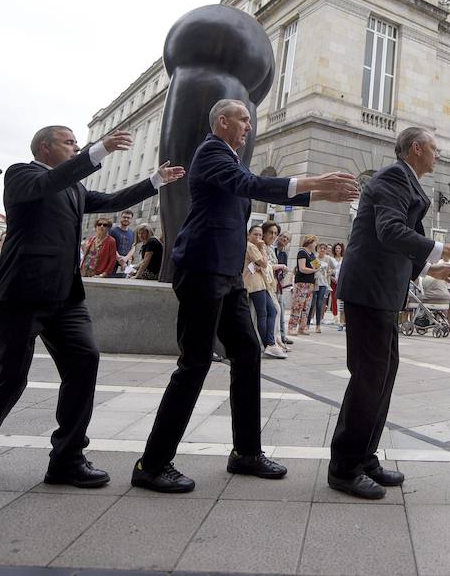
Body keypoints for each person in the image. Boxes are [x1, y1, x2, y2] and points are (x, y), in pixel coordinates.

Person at [132, 100, 356, 494]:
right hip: (202, 271)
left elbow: (247, 188)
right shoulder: (212, 152)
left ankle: (246, 453)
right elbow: (248, 185)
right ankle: (152, 463)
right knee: (195, 363)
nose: (249, 126)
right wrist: (314, 183)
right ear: (222, 121)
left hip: (227, 274)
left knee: (248, 351)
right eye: (244, 119)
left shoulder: (229, 159)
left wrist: (315, 192)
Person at [0, 125, 183, 490]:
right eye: (69, 142)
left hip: (65, 297)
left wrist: (155, 180)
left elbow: (112, 200)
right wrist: (99, 149)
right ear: (45, 147)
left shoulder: (75, 187)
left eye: (76, 143)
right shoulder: (21, 174)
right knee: (9, 379)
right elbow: (51, 182)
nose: (75, 148)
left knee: (85, 361)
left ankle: (67, 458)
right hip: (22, 293)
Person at [327, 126, 450, 499]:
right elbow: (390, 231)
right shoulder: (394, 177)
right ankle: (344, 467)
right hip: (369, 290)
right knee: (368, 378)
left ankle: (364, 457)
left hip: (382, 289)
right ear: (416, 149)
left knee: (382, 376)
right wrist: (446, 250)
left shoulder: (407, 181)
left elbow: (396, 242)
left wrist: (432, 268)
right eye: (434, 147)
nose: (438, 154)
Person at [243, 224, 286, 359]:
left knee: (271, 310)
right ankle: (269, 344)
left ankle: (270, 343)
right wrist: (262, 248)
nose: (258, 237)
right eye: (255, 234)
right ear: (249, 235)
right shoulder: (251, 246)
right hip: (254, 283)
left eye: (260, 235)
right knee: (264, 313)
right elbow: (264, 263)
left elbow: (263, 264)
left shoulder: (254, 247)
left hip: (261, 283)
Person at [288, 234, 321, 336]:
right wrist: (314, 270)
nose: (316, 244)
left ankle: (302, 327)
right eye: (315, 242)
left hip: (311, 283)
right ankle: (292, 327)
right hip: (302, 282)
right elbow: (302, 268)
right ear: (310, 242)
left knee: (307, 306)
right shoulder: (302, 252)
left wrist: (316, 268)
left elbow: (318, 267)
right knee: (298, 305)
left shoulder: (312, 254)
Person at [311, 242, 337, 333]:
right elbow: (313, 269)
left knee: (319, 303)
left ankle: (318, 325)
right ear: (317, 249)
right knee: (312, 303)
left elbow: (335, 268)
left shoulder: (328, 259)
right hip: (314, 282)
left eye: (324, 248)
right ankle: (307, 322)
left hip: (323, 283)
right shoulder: (314, 258)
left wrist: (329, 273)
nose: (322, 250)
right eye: (320, 248)